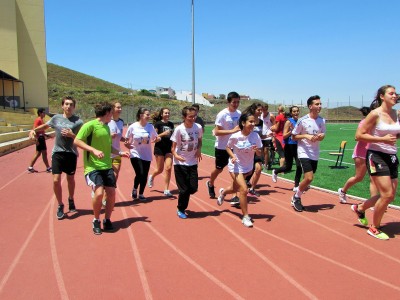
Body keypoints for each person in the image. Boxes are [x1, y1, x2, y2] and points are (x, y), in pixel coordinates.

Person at [351, 85, 400, 240]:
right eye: (391, 93)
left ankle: (360, 208)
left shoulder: (396, 114)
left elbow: (394, 135)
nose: (394, 96)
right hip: (376, 155)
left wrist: (394, 137)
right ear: (381, 96)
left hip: (391, 156)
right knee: (386, 194)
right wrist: (382, 139)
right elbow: (359, 135)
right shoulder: (375, 114)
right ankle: (374, 227)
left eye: (395, 93)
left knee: (390, 196)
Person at [74, 102, 129, 235]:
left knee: (111, 193)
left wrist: (120, 152)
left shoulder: (106, 127)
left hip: (107, 166)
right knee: (99, 193)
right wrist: (93, 149)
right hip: (92, 167)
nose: (112, 115)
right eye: (111, 113)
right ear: (106, 113)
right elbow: (77, 141)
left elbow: (108, 147)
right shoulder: (90, 125)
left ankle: (107, 219)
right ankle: (96, 220)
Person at [29, 97, 84, 219]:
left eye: (71, 104)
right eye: (66, 104)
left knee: (70, 179)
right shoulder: (56, 118)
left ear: (74, 107)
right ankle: (60, 204)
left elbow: (82, 139)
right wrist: (33, 130)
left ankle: (71, 198)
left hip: (71, 153)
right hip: (57, 153)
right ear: (62, 106)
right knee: (55, 180)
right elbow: (45, 126)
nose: (68, 106)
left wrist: (72, 135)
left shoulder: (79, 122)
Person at [216, 113, 262, 227]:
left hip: (248, 167)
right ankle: (245, 216)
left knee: (234, 188)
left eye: (253, 122)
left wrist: (257, 151)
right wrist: (233, 156)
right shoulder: (236, 136)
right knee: (244, 189)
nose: (253, 124)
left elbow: (259, 152)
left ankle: (223, 193)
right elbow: (227, 147)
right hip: (235, 167)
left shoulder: (255, 136)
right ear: (243, 123)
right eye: (250, 122)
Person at [291, 95, 326, 212]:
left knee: (308, 180)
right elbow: (294, 136)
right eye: (317, 104)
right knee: (309, 177)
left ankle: (299, 191)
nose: (320, 106)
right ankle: (296, 197)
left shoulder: (322, 120)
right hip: (303, 152)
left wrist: (321, 136)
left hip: (315, 153)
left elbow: (322, 136)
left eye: (320, 104)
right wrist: (306, 135)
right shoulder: (302, 120)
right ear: (310, 106)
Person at [338, 107, 377, 203]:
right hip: (361, 153)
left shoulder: (378, 123)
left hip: (373, 153)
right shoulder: (364, 122)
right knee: (359, 177)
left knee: (374, 178)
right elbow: (357, 137)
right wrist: (372, 138)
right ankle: (343, 191)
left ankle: (373, 201)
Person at [206, 92, 241, 199]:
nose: (236, 104)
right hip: (222, 146)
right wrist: (232, 130)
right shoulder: (222, 114)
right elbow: (216, 132)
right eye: (234, 102)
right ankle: (210, 183)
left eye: (238, 102)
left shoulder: (239, 113)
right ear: (228, 102)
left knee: (236, 170)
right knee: (219, 169)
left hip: (234, 146)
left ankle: (235, 195)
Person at [171, 106, 203, 219]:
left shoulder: (198, 127)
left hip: (193, 162)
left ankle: (183, 200)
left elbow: (199, 141)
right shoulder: (179, 129)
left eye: (195, 116)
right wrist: (176, 156)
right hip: (180, 163)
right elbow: (173, 147)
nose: (193, 118)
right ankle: (181, 209)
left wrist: (199, 149)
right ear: (184, 117)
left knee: (193, 188)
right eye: (190, 117)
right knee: (184, 189)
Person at [125, 107, 159, 201]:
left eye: (149, 114)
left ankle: (141, 193)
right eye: (147, 114)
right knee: (140, 173)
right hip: (135, 153)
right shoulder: (133, 126)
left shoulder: (150, 127)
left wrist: (157, 139)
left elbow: (156, 137)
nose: (149, 116)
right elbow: (127, 139)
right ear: (141, 115)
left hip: (146, 154)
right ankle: (135, 188)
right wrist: (127, 145)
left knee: (144, 174)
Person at [272, 106, 303, 191]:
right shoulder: (288, 122)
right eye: (294, 111)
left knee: (299, 166)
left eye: (297, 111)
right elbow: (284, 135)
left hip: (298, 146)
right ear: (291, 113)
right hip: (289, 146)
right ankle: (275, 171)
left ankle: (296, 186)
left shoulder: (300, 121)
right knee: (288, 167)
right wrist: (291, 131)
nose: (296, 113)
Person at [102, 101, 127, 206]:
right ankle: (101, 192)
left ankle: (106, 198)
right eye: (117, 107)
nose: (120, 109)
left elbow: (119, 136)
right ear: (112, 109)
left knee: (114, 177)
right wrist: (109, 136)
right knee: (105, 176)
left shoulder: (121, 122)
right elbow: (101, 136)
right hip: (106, 153)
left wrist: (125, 139)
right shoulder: (107, 121)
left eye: (121, 107)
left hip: (117, 153)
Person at [148, 107, 174, 197]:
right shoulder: (158, 124)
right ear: (162, 114)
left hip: (169, 149)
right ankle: (152, 176)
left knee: (169, 168)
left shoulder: (171, 124)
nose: (167, 114)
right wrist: (163, 134)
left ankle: (166, 189)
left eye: (168, 113)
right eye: (165, 113)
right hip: (159, 148)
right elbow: (153, 138)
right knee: (160, 169)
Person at [242, 103, 266, 197]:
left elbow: (260, 136)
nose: (260, 112)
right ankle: (240, 188)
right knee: (247, 171)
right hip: (247, 148)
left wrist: (268, 135)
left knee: (259, 168)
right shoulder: (247, 119)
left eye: (261, 110)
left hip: (257, 148)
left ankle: (252, 188)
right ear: (254, 110)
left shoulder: (260, 122)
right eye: (258, 110)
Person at [27, 108, 52, 173]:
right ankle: (48, 167)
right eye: (43, 112)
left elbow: (40, 130)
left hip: (41, 138)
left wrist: (45, 135)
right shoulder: (38, 120)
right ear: (40, 113)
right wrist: (36, 139)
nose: (45, 114)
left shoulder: (41, 120)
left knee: (39, 153)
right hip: (40, 139)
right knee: (43, 153)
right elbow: (34, 130)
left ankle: (30, 167)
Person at [261, 104, 275, 170]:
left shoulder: (271, 116)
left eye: (265, 109)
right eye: (262, 109)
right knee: (262, 151)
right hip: (261, 136)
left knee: (266, 151)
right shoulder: (260, 115)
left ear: (267, 109)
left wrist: (273, 136)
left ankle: (266, 166)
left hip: (269, 136)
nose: (263, 111)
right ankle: (265, 162)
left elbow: (275, 126)